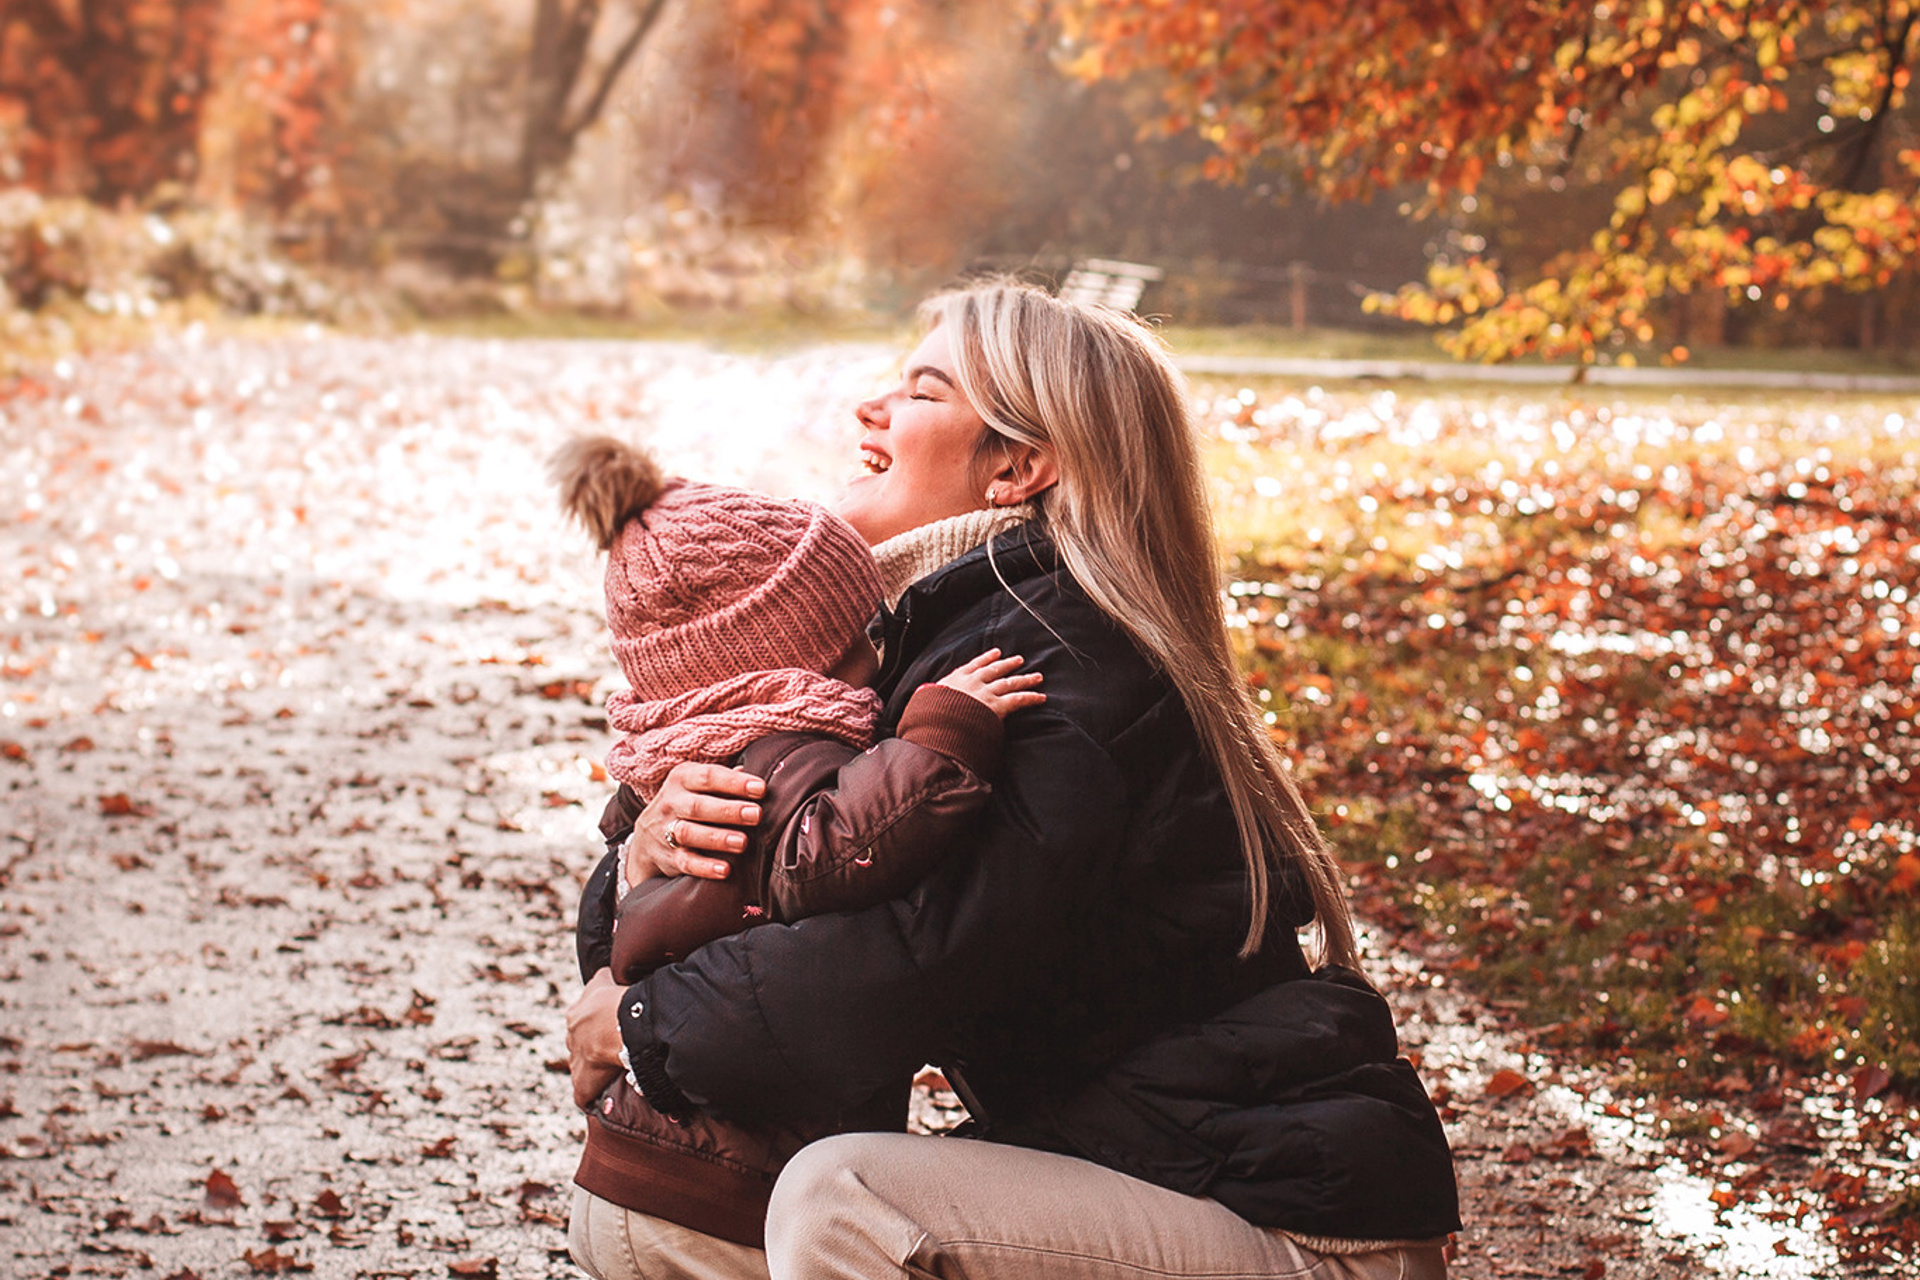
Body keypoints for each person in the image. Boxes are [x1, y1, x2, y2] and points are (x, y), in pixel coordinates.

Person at [566, 281, 1461, 1280]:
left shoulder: (1053, 669)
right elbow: (783, 863)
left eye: (922, 390)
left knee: (841, 1202)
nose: (871, 409)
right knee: (660, 1215)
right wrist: (643, 851)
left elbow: (894, 960)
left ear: (1017, 467)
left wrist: (642, 1029)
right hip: (1156, 1171)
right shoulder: (917, 654)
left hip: (1295, 1230)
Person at [550, 436, 1044, 1261]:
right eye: (860, 639)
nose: (879, 660)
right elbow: (837, 845)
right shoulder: (779, 764)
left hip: (653, 1172)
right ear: (793, 662)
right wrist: (942, 732)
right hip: (714, 1195)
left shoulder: (690, 755)